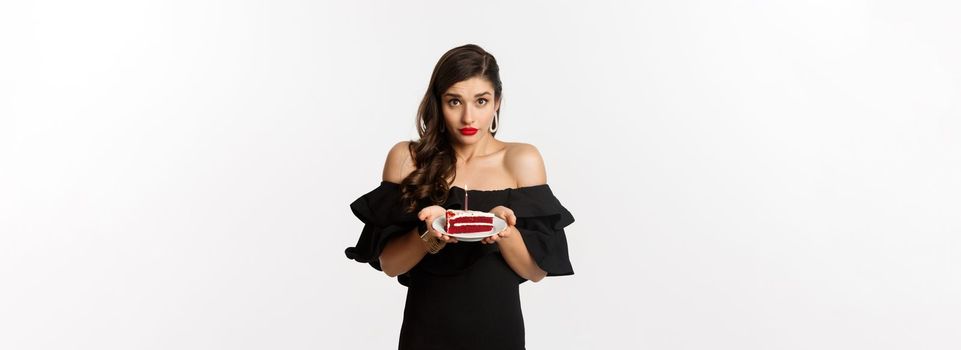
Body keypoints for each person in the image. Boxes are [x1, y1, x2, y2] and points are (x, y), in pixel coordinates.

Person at [345, 44, 575, 350]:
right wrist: (430, 234)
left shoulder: (522, 160)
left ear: (497, 103)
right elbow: (390, 265)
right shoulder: (407, 158)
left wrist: (503, 230)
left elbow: (535, 271)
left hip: (498, 333)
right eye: (455, 101)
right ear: (438, 103)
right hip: (425, 332)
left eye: (481, 101)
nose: (469, 117)